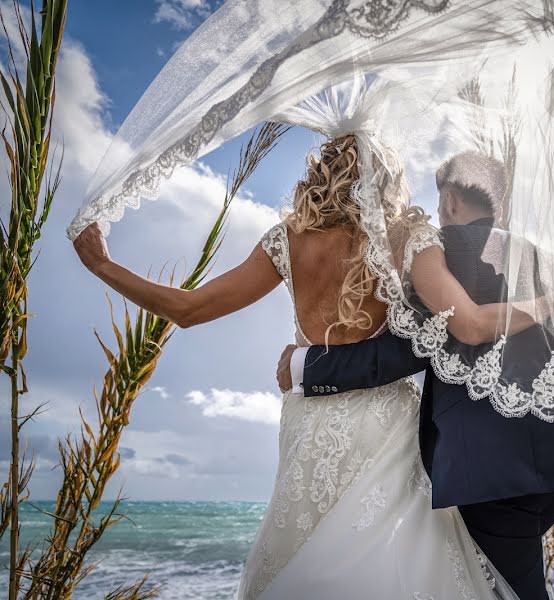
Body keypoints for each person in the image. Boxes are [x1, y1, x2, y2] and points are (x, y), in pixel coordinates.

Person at [73, 135, 526, 599]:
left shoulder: (285, 241)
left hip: (309, 424)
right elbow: (465, 321)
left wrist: (104, 265)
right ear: (386, 180)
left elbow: (187, 309)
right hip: (385, 425)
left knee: (306, 551)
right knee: (394, 557)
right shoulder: (407, 239)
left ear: (322, 172)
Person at [277, 151, 554, 600]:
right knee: (500, 575)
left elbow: (403, 350)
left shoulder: (443, 261)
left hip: (494, 468)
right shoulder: (540, 258)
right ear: (497, 203)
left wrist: (305, 366)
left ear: (448, 199)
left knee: (507, 589)